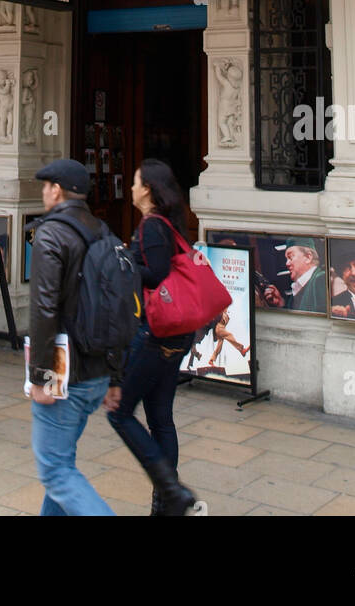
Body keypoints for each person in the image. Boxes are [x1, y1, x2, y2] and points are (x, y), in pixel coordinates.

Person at [105, 159, 197, 516]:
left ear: (148, 189)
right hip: (177, 332)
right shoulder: (167, 225)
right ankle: (167, 504)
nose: (129, 188)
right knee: (160, 416)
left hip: (157, 332)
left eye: (135, 182)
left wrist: (124, 262)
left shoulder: (151, 227)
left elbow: (156, 274)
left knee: (119, 410)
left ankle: (170, 489)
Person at [29, 158, 120, 517]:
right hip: (96, 372)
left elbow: (43, 311)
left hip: (66, 376)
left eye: (46, 185)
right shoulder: (104, 231)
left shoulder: (50, 234)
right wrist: (115, 376)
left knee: (55, 470)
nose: (43, 192)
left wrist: (41, 377)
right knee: (62, 462)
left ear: (56, 191)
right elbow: (120, 308)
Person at [261, 238, 327, 312]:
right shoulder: (298, 288)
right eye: (286, 259)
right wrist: (281, 303)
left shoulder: (321, 279)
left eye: (291, 257)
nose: (287, 263)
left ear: (308, 257)